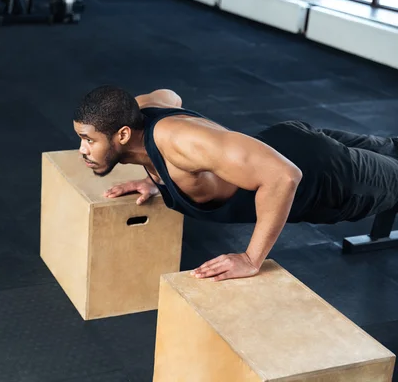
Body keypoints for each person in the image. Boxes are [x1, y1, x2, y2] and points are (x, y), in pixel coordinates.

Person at [72, 85, 398, 282]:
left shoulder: (181, 143)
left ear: (123, 135)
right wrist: (157, 180)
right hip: (294, 138)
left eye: (88, 140)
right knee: (390, 146)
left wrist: (251, 259)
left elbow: (284, 177)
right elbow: (169, 95)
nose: (82, 150)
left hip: (325, 177)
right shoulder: (142, 110)